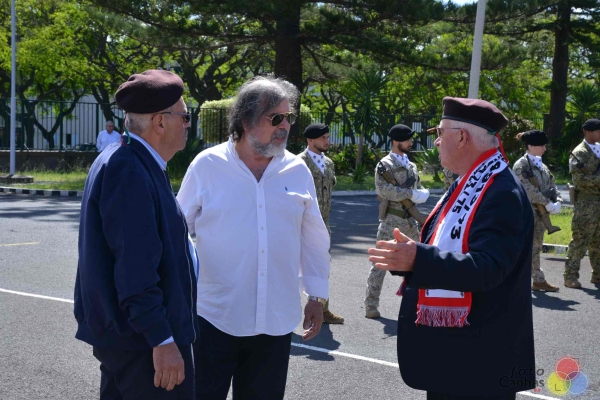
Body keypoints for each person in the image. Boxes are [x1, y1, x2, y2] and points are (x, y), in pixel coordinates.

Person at [368, 97, 535, 399]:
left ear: (461, 137)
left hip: (478, 363)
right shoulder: (472, 182)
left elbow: (487, 268)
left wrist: (418, 259)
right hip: (460, 357)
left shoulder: (500, 191)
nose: (435, 141)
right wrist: (408, 259)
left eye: (440, 132)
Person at [176, 76, 330, 400]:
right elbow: (176, 234)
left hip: (275, 323)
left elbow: (314, 237)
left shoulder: (297, 171)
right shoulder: (207, 166)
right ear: (246, 121)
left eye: (289, 117)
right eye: (276, 118)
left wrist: (316, 297)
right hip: (214, 319)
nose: (285, 126)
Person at [74, 69, 199, 399]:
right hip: (144, 345)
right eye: (184, 117)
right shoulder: (129, 168)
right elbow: (135, 268)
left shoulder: (131, 159)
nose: (188, 124)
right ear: (160, 123)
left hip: (132, 339)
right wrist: (162, 339)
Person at [364, 124, 429, 319]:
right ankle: (371, 304)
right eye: (407, 139)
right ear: (395, 141)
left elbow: (416, 188)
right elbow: (383, 191)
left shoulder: (411, 165)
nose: (410, 143)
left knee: (419, 263)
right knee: (380, 264)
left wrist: (420, 193)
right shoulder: (385, 165)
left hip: (410, 222)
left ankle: (417, 303)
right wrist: (411, 194)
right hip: (391, 221)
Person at [298, 123, 345, 324]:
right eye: (323, 138)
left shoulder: (329, 163)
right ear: (310, 140)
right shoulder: (299, 163)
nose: (327, 141)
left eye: (327, 137)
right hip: (300, 223)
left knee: (321, 266)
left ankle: (323, 309)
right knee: (290, 266)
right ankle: (283, 309)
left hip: (323, 224)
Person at [512, 130, 562, 292]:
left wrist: (557, 201)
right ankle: (516, 281)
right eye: (542, 145)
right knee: (524, 248)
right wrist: (547, 203)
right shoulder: (521, 165)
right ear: (531, 146)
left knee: (535, 247)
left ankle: (537, 280)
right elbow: (527, 189)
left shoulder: (542, 166)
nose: (545, 148)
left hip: (541, 213)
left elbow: (552, 185)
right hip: (527, 213)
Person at [564, 118, 600, 288]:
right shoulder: (580, 152)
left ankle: (597, 274)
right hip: (586, 204)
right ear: (587, 131)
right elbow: (579, 180)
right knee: (580, 240)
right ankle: (570, 276)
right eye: (598, 130)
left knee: (598, 242)